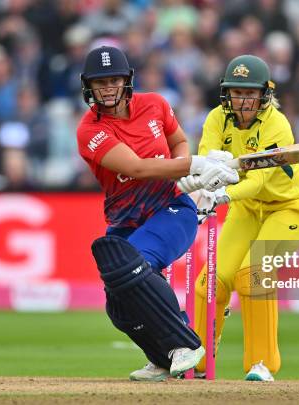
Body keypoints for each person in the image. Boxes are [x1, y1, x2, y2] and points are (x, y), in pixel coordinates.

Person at [75, 46, 239, 381]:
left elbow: (178, 142)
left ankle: (184, 343)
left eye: (114, 80)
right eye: (100, 82)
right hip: (126, 220)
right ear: (88, 87)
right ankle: (161, 358)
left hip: (171, 209)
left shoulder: (155, 105)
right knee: (117, 301)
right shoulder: (90, 131)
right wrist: (195, 165)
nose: (107, 88)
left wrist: (190, 179)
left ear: (126, 81)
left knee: (139, 263)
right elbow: (136, 167)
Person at [179, 55, 299, 381]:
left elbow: (259, 181)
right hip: (248, 208)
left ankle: (263, 364)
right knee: (211, 280)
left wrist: (223, 193)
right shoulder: (217, 118)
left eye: (249, 93)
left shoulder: (277, 125)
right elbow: (207, 161)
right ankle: (197, 360)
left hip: (290, 206)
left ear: (264, 94)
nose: (242, 100)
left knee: (252, 272)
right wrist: (201, 183)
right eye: (236, 92)